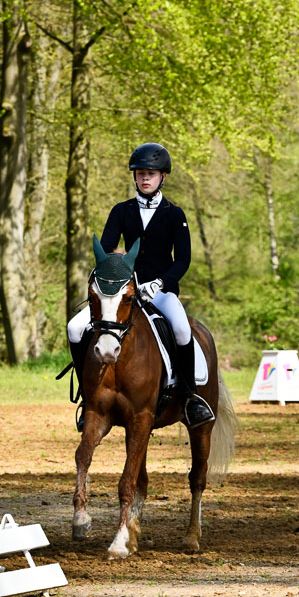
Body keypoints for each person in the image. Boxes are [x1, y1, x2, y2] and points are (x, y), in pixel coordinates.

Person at [67, 142, 215, 431]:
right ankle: (88, 398)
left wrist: (160, 283)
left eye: (151, 173)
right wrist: (117, 271)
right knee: (75, 327)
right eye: (140, 173)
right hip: (125, 292)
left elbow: (183, 260)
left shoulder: (175, 215)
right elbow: (107, 250)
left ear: (163, 177)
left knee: (183, 329)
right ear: (134, 177)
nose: (145, 178)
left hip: (161, 292)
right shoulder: (121, 211)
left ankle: (190, 397)